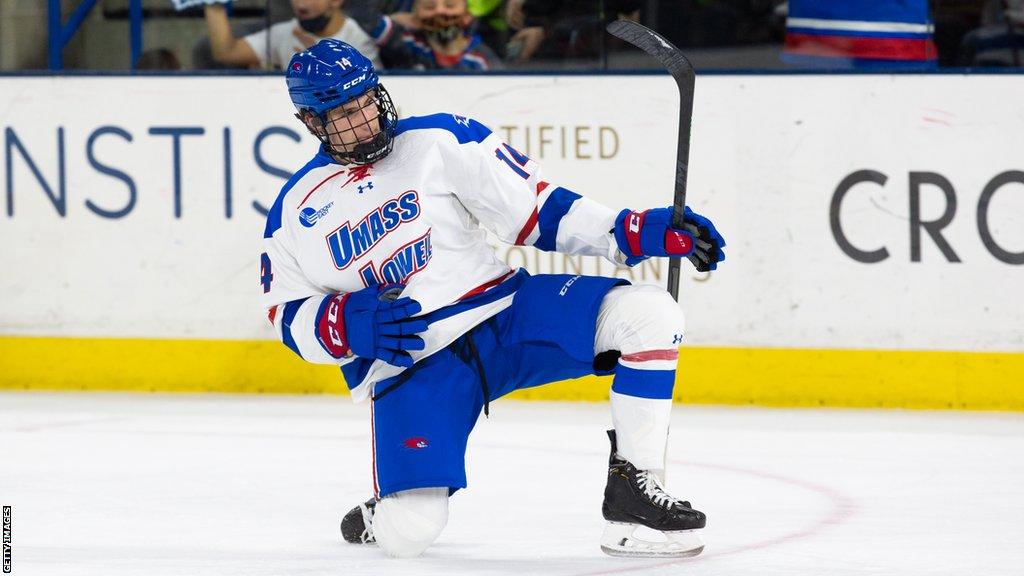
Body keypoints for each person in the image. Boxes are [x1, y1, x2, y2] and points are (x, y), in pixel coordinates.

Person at [260, 39, 726, 559]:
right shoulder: (294, 210)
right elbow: (285, 314)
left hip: (504, 314)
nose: (365, 119)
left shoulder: (439, 139)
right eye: (345, 113)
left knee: (649, 314)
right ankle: (381, 514)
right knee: (411, 532)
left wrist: (629, 231)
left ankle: (633, 498)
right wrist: (343, 323)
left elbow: (539, 210)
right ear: (311, 120)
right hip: (413, 363)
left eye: (367, 100)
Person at [200, 0, 385, 69]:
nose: (300, 5)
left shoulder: (359, 39)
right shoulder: (286, 32)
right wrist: (213, 5)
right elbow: (227, 52)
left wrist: (325, 61)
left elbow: (370, 94)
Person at [393, 0, 502, 70]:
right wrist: (393, 20)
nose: (440, 11)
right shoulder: (407, 44)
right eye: (429, 7)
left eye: (450, 6)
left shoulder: (481, 60)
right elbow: (376, 24)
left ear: (467, 15)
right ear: (415, 16)